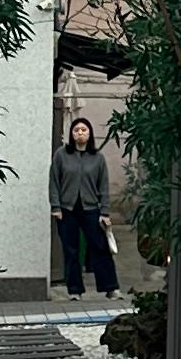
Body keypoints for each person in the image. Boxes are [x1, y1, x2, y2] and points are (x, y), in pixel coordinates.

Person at [50, 116, 118, 299]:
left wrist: (105, 211)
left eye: (84, 130)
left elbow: (103, 186)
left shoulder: (98, 158)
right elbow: (54, 181)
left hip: (91, 208)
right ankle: (74, 291)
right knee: (71, 250)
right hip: (67, 209)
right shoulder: (61, 155)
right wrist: (56, 207)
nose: (80, 133)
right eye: (76, 130)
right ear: (71, 134)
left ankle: (111, 287)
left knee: (99, 247)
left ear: (90, 133)